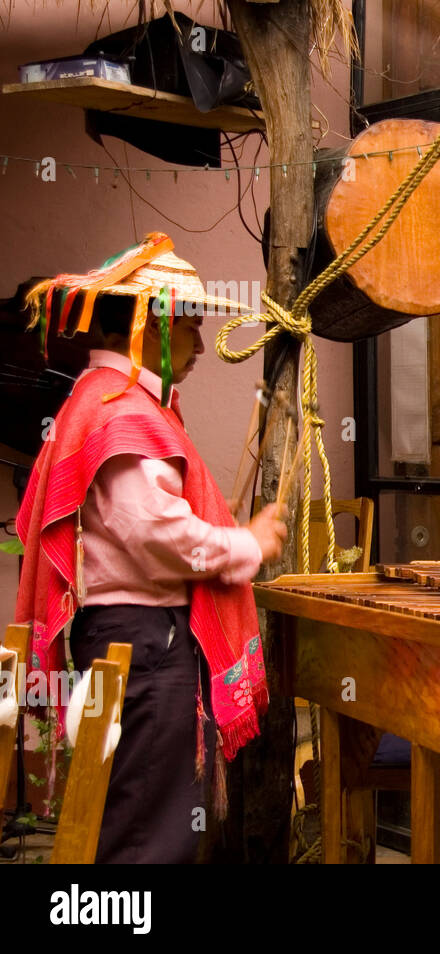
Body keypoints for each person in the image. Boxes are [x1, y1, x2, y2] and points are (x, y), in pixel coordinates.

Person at [14, 233, 286, 863]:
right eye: (187, 325)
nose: (197, 342)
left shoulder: (94, 404)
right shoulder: (118, 412)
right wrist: (244, 544)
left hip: (123, 640)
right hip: (141, 643)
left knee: (134, 818)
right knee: (150, 834)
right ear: (146, 326)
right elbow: (153, 534)